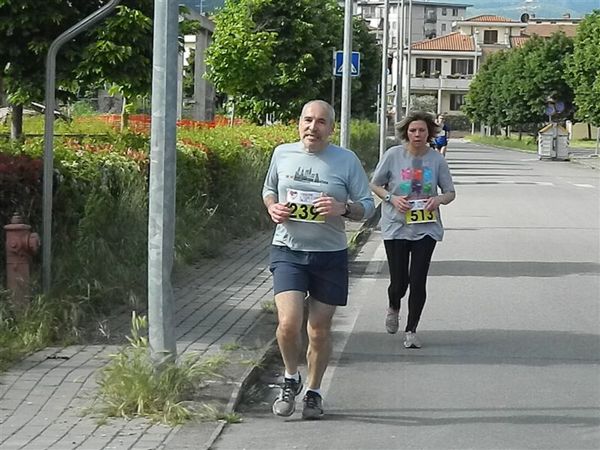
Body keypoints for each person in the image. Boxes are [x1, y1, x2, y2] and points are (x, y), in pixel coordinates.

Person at [263, 99, 375, 419]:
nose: (313, 127)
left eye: (321, 122)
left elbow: (367, 205)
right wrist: (273, 207)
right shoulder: (282, 153)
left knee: (318, 331)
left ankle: (313, 391)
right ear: (299, 123)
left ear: (331, 128)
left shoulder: (346, 160)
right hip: (288, 250)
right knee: (288, 324)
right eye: (307, 120)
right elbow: (269, 190)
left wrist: (343, 209)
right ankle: (290, 377)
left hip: (329, 255)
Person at [370, 110, 455, 349]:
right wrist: (392, 198)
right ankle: (394, 305)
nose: (417, 134)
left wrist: (438, 200)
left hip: (425, 228)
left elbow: (450, 192)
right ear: (406, 133)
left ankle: (411, 330)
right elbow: (375, 184)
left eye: (422, 131)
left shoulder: (437, 160)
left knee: (418, 279)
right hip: (396, 225)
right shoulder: (393, 155)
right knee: (400, 281)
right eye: (413, 130)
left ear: (430, 133)